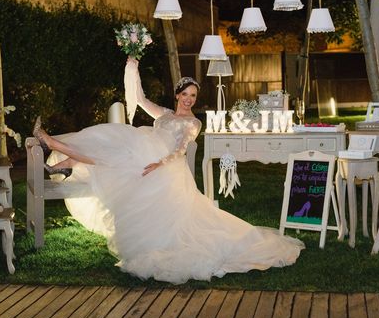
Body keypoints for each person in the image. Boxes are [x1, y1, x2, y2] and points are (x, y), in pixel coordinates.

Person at [33, 57, 303, 284]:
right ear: (177, 95)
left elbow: (181, 150)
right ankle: (64, 161)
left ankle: (61, 156)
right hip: (146, 158)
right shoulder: (163, 114)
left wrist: (159, 163)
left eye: (193, 96)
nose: (188, 100)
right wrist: (133, 65)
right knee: (113, 144)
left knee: (116, 145)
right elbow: (138, 98)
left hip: (162, 165)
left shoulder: (193, 123)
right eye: (185, 94)